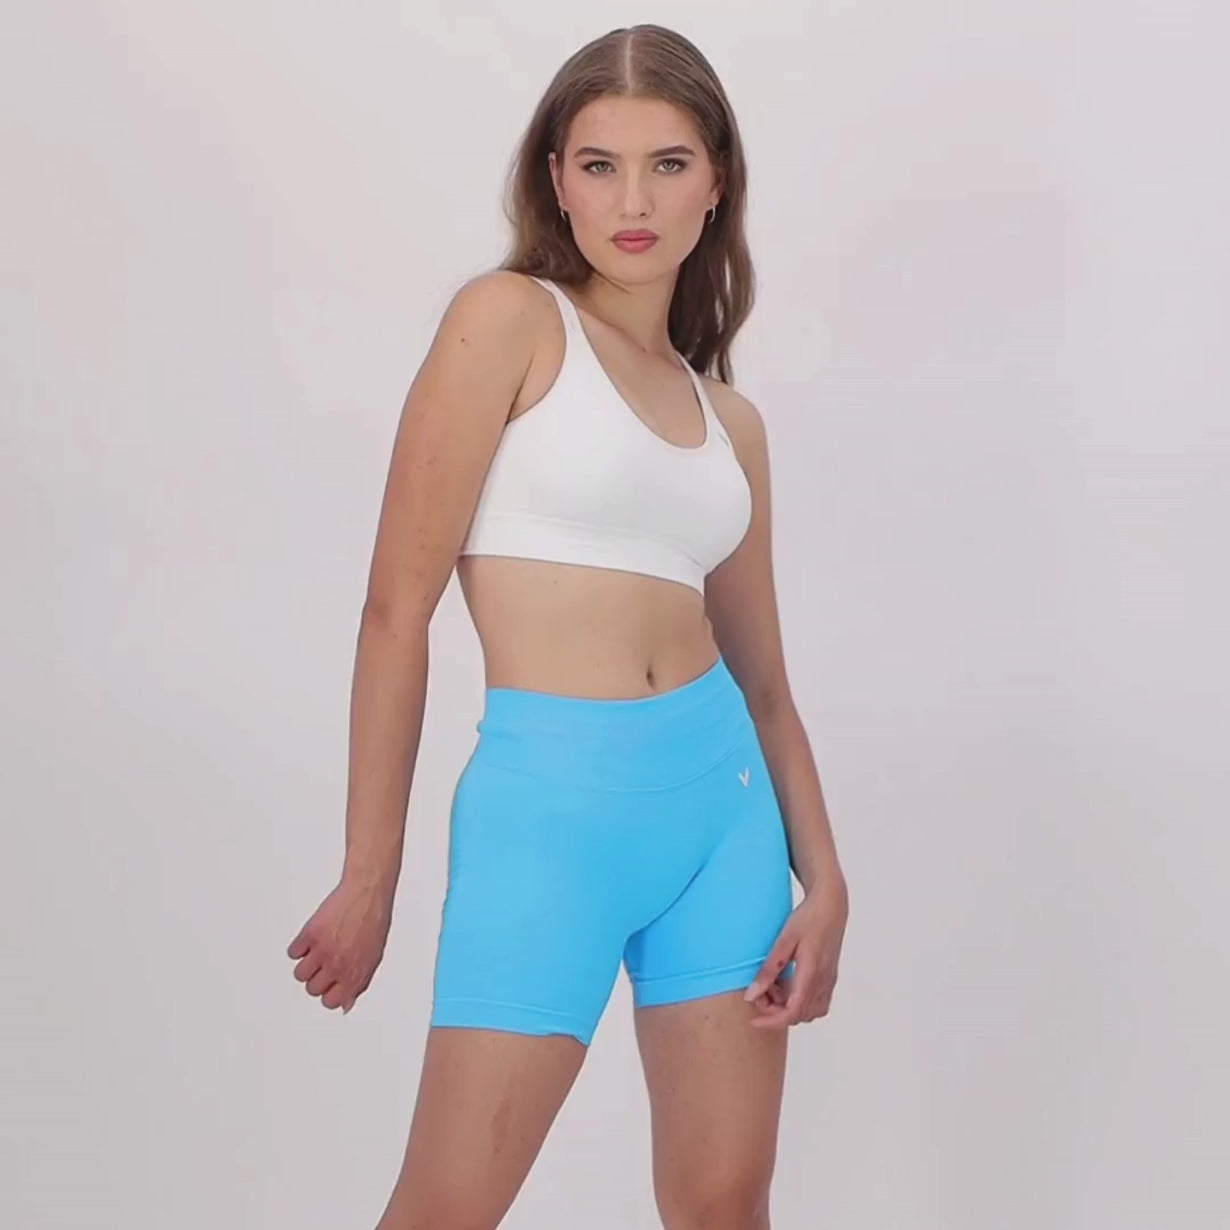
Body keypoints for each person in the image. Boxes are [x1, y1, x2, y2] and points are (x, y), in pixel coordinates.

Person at [286, 22, 849, 1230]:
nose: (632, 201)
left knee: (725, 1209)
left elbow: (765, 684)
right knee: (446, 1207)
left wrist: (827, 877)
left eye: (667, 164)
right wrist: (371, 874)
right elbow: (394, 611)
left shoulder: (730, 422)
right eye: (600, 165)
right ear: (557, 179)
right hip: (550, 818)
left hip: (726, 826)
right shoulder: (509, 322)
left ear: (717, 182)